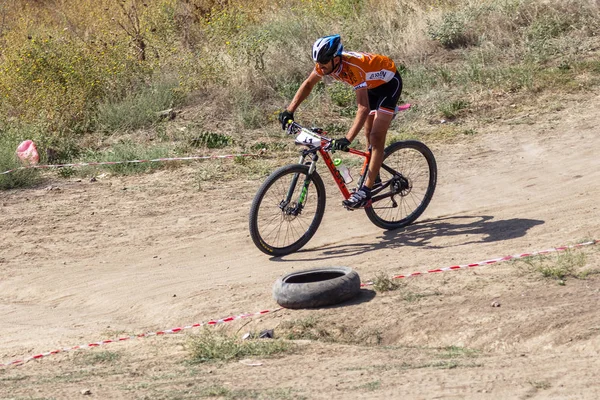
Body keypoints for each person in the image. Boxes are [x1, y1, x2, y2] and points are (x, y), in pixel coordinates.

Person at [278, 34, 402, 209]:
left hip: (388, 85)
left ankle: (366, 190)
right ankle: (375, 178)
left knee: (376, 136)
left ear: (336, 59)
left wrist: (347, 139)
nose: (320, 67)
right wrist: (289, 111)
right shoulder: (325, 64)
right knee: (367, 133)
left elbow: (363, 108)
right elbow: (308, 84)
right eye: (318, 63)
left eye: (324, 63)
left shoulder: (353, 68)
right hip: (371, 86)